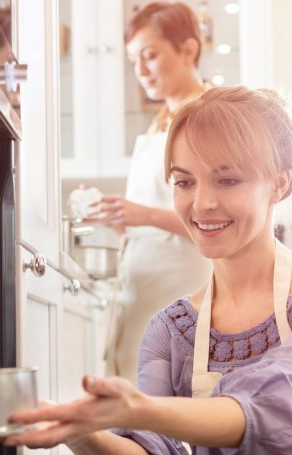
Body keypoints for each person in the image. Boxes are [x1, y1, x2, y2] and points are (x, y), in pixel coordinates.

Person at [5, 86, 292, 455]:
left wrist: (141, 409)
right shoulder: (172, 331)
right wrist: (85, 434)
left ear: (280, 183)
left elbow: (281, 397)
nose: (201, 204)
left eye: (228, 180)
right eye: (184, 182)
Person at [91, 2, 213, 380]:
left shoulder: (209, 117)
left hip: (181, 287)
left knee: (172, 402)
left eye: (150, 56)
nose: (140, 71)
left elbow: (210, 214)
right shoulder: (159, 124)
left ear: (188, 50)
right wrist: (124, 221)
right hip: (140, 290)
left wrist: (142, 216)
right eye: (133, 61)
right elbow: (157, 211)